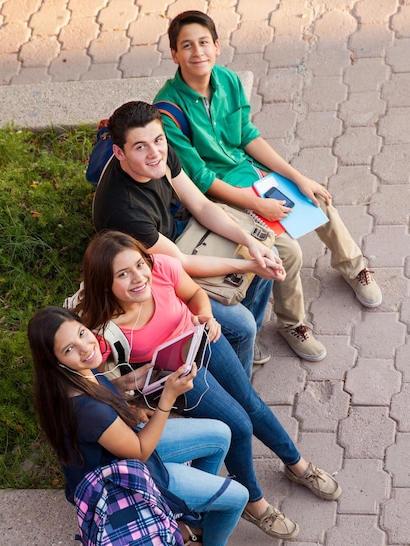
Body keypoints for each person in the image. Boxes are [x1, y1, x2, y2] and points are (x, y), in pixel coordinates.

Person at [76, 230, 342, 542]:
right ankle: (254, 504)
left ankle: (297, 465)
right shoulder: (103, 328)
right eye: (123, 274)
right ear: (104, 283)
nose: (138, 278)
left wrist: (204, 315)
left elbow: (193, 295)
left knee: (250, 401)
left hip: (202, 340)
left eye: (139, 265)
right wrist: (126, 391)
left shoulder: (162, 268)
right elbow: (94, 382)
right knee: (239, 426)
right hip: (178, 375)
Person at [154, 9, 382, 362]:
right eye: (187, 46)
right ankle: (293, 323)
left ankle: (353, 267)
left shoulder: (227, 80)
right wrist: (258, 205)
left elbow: (247, 136)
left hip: (251, 176)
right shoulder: (168, 110)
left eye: (203, 43)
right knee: (288, 250)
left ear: (216, 47)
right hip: (222, 197)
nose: (197, 52)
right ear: (174, 54)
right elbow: (200, 180)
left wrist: (296, 177)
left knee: (318, 200)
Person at [27, 305, 251, 546]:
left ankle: (190, 523)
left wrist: (128, 383)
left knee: (220, 433)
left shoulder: (72, 375)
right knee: (238, 497)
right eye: (69, 349)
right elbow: (141, 451)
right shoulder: (86, 411)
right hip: (129, 481)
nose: (85, 348)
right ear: (55, 361)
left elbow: (102, 388)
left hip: (126, 449)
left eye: (82, 333)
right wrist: (167, 397)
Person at [92, 100, 287, 378]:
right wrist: (248, 265)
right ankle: (239, 376)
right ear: (119, 152)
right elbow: (180, 264)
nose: (154, 153)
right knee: (243, 323)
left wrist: (251, 244)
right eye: (140, 147)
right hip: (153, 274)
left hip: (181, 234)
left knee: (266, 252)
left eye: (158, 140)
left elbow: (201, 205)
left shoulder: (160, 155)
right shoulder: (123, 211)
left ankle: (239, 340)